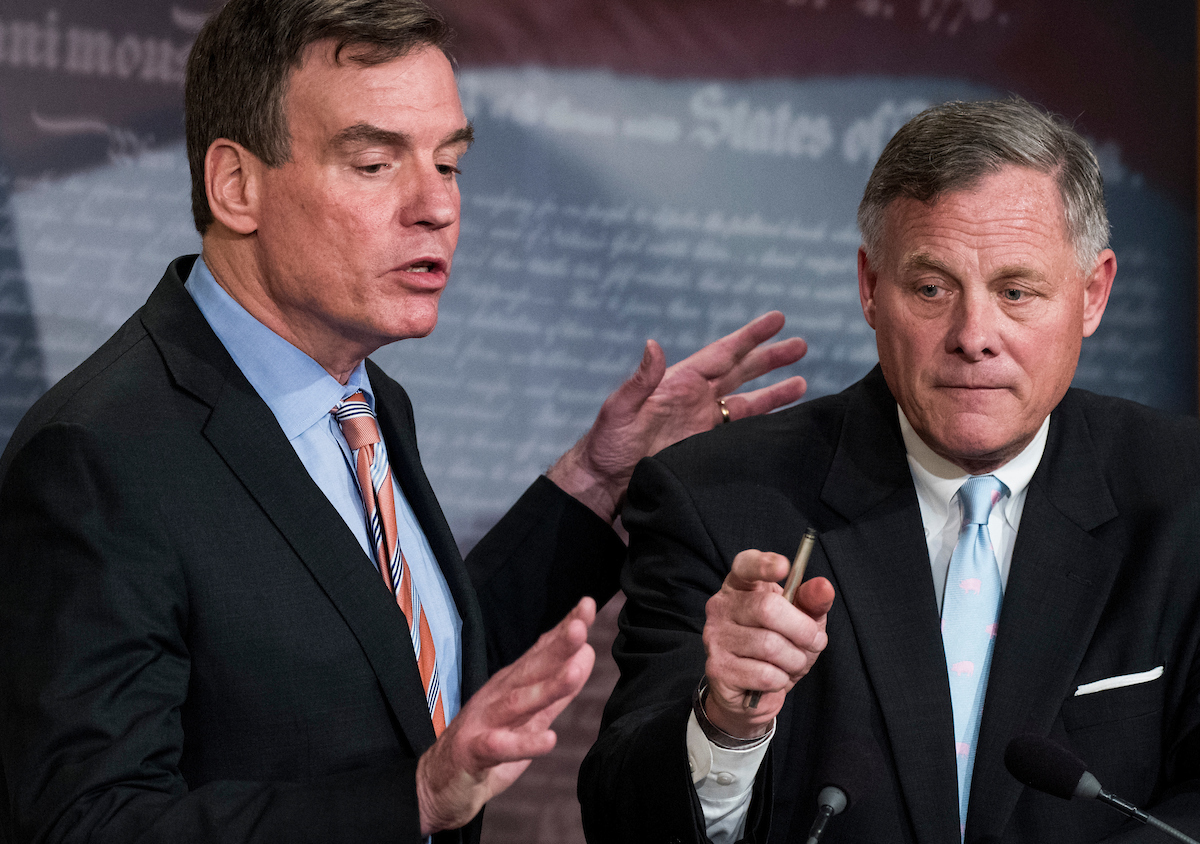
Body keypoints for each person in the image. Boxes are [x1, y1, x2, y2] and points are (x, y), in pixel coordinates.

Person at [0, 1, 811, 842]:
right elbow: (88, 822)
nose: (437, 208)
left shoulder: (369, 399)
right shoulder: (98, 458)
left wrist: (597, 483)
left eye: (449, 163)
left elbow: (400, 672)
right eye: (376, 163)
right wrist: (414, 799)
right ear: (236, 186)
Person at [579, 97, 1200, 843]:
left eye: (1016, 292)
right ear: (872, 287)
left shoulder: (1183, 494)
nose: (974, 336)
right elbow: (625, 824)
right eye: (932, 289)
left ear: (1092, 294)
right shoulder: (717, 502)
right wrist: (726, 719)